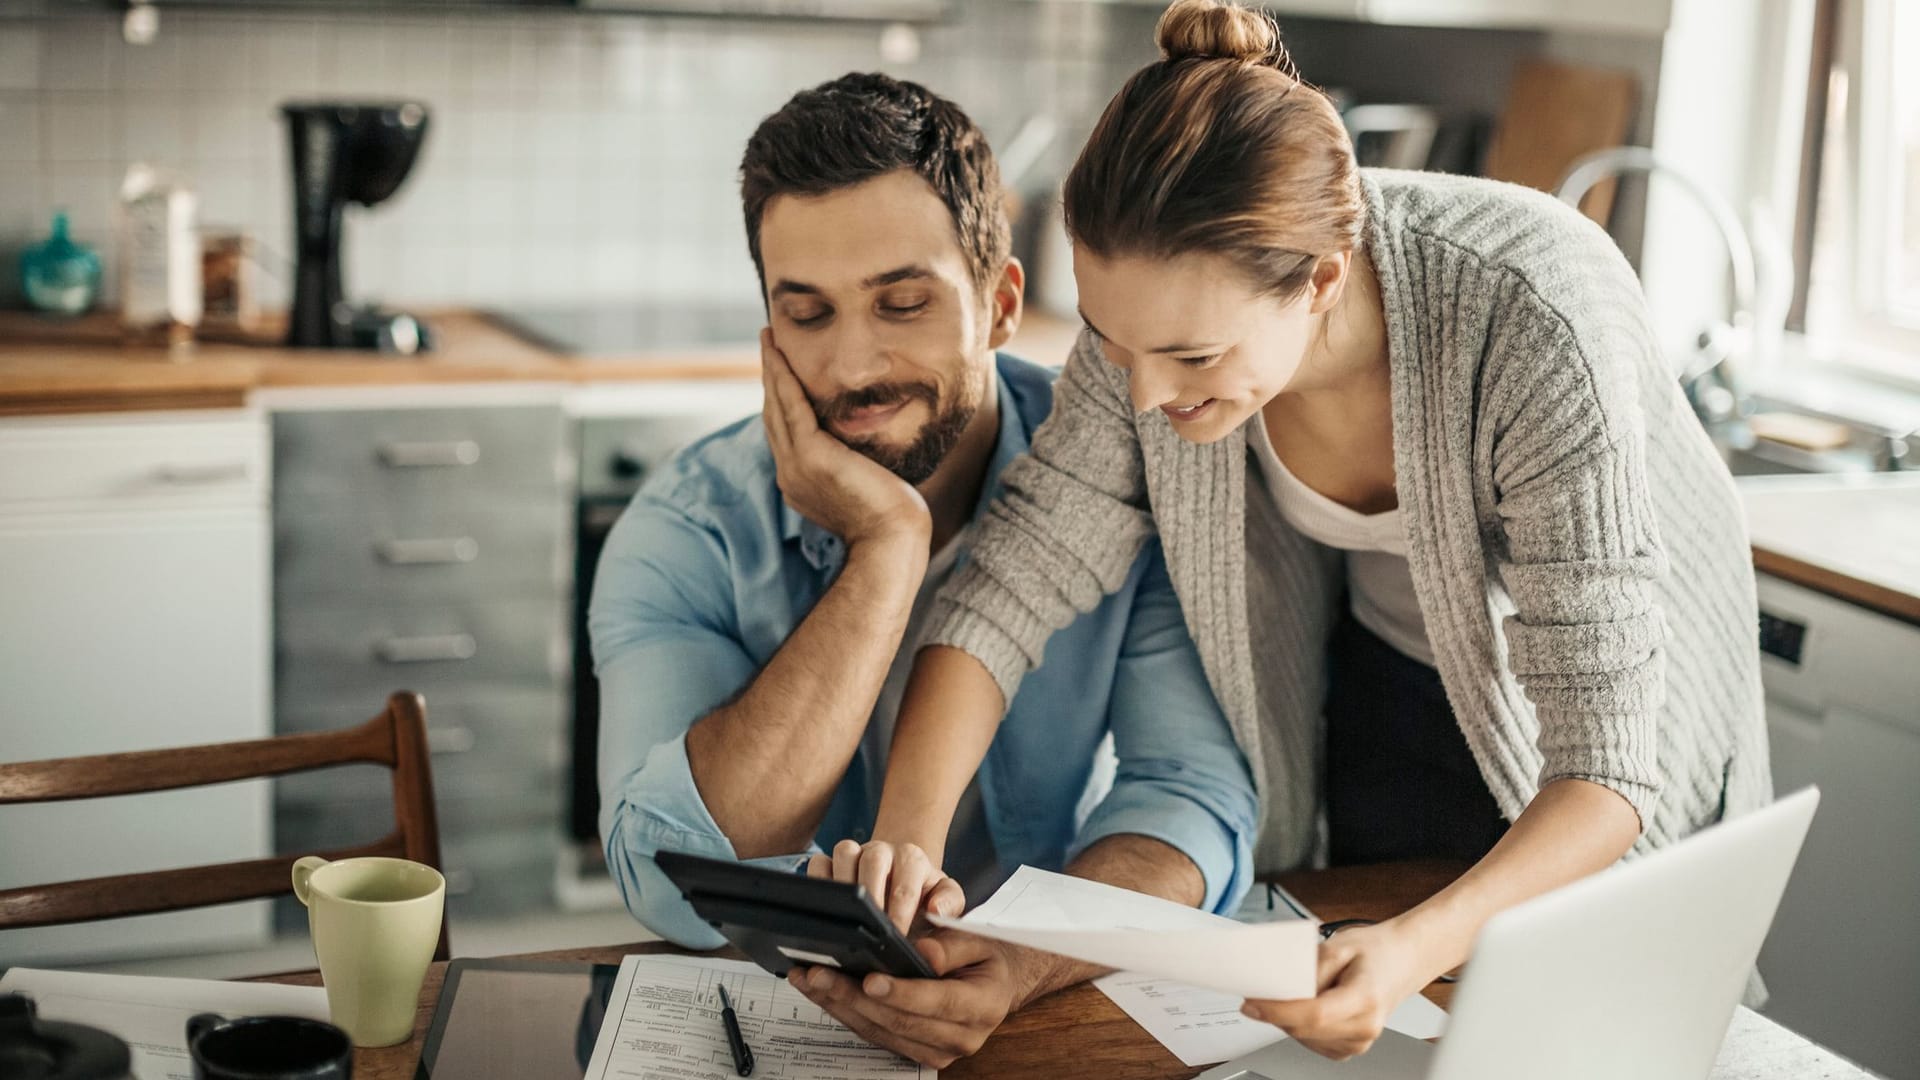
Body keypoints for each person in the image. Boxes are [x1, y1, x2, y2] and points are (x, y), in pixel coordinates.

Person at [832, 0, 1773, 1061]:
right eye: (1111, 342)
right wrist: (902, 849)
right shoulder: (1151, 331)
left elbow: (1607, 769)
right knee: (1409, 1040)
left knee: (1587, 1033)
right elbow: (1017, 577)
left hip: (1602, 742)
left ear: (1322, 280)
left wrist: (1409, 947)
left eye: (1190, 358)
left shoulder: (1531, 314)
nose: (1143, 398)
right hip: (1388, 682)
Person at [588, 71, 1259, 1070]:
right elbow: (668, 875)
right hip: (788, 1030)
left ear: (999, 305)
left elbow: (1190, 802)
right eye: (807, 315)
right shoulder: (689, 529)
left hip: (1046, 1002)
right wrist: (886, 551)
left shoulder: (1127, 483)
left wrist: (1025, 958)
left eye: (902, 303)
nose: (855, 366)